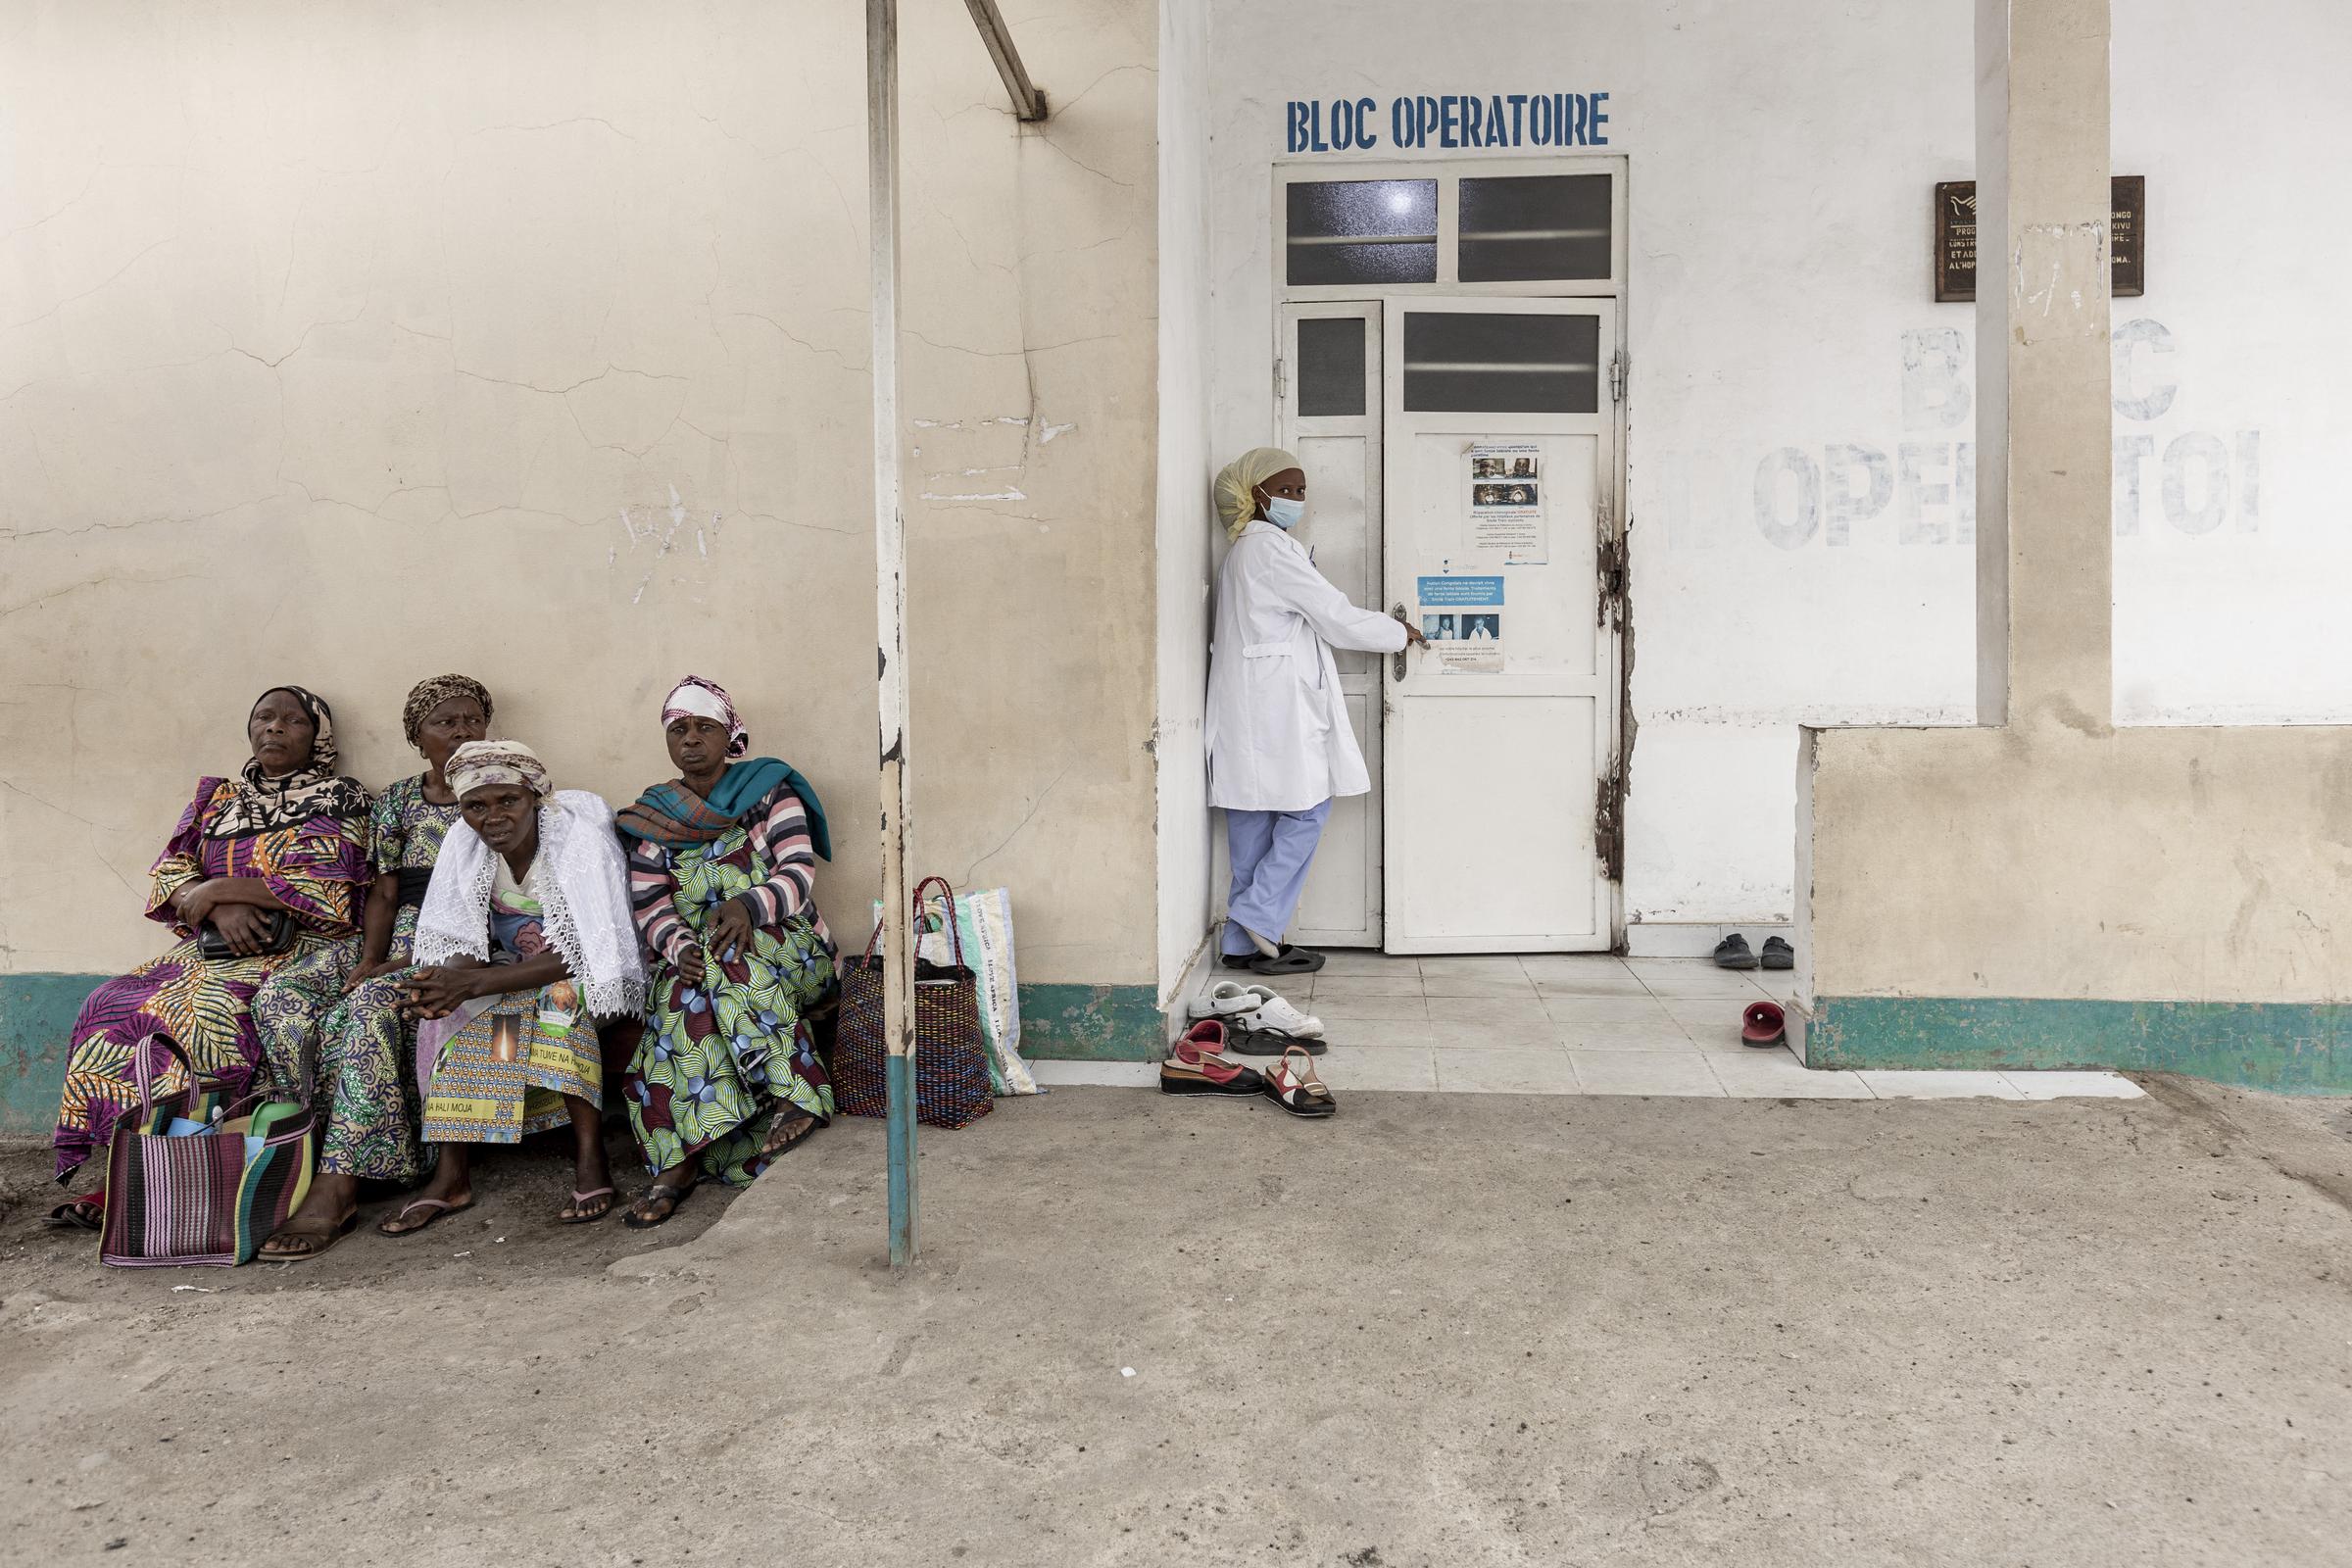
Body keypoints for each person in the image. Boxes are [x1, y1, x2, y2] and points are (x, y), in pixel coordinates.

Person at [47, 687, 371, 1226]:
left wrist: (223, 888)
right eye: (264, 718)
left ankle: (216, 1176)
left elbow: (337, 890)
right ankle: (130, 1170)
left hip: (301, 943)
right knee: (110, 1005)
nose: (275, 728)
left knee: (215, 1010)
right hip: (214, 942)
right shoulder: (217, 799)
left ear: (318, 737)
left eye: (292, 721)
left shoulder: (342, 797)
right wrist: (216, 908)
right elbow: (173, 872)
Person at [250, 675, 492, 1259]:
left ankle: (344, 1179)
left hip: (456, 934)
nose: (461, 731)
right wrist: (370, 958)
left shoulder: (499, 790)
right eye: (445, 722)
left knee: (367, 1008)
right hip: (393, 928)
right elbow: (383, 893)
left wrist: (399, 966)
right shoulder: (400, 800)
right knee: (281, 997)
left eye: (471, 720)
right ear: (417, 736)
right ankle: (302, 1152)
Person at [377, 741, 644, 1235]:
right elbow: (457, 939)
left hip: (590, 975)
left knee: (557, 1004)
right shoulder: (465, 844)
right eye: (476, 806)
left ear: (534, 797)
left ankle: (591, 1156)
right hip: (508, 972)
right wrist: (444, 983)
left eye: (508, 801)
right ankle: (452, 1173)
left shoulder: (575, 837)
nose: (492, 816)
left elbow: (588, 950)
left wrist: (475, 980)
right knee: (448, 1017)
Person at [613, 676, 838, 1229]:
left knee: (722, 959)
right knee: (683, 992)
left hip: (791, 948)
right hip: (706, 954)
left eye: (704, 727)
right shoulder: (655, 817)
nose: (691, 739)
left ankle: (689, 1157)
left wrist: (746, 907)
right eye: (678, 729)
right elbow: (650, 905)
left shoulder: (767, 791)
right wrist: (679, 946)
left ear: (729, 734)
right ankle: (692, 1155)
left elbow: (798, 873)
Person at [1205, 447, 1424, 976]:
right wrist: (1399, 633)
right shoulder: (1272, 551)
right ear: (1254, 495)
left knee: (1253, 820)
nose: (1296, 500)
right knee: (1307, 808)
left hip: (1252, 702)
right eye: (1286, 490)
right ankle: (1258, 915)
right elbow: (1335, 616)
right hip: (1272, 704)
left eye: (1301, 491)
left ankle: (1241, 942)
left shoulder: (1245, 553)